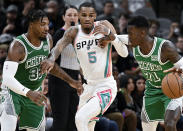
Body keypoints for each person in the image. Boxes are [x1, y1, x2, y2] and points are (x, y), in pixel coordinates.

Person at [40, 2, 128, 131]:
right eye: (84, 15)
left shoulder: (103, 26)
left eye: (91, 15)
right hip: (88, 87)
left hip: (105, 85)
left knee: (80, 118)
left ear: (95, 16)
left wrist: (110, 36)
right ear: (79, 17)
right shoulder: (73, 32)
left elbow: (124, 52)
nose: (87, 18)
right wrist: (51, 59)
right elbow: (58, 47)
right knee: (85, 124)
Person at [0, 9, 82, 131]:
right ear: (31, 25)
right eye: (42, 24)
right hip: (13, 93)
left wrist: (71, 81)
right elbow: (6, 78)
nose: (46, 28)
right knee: (9, 127)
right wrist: (28, 92)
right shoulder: (18, 46)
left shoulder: (48, 40)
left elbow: (50, 66)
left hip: (36, 94)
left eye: (47, 24)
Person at [106, 16, 183, 131]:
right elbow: (117, 38)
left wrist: (181, 70)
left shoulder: (165, 47)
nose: (129, 37)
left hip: (172, 90)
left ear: (142, 33)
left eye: (131, 33)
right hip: (152, 90)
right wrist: (108, 37)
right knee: (147, 128)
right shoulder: (134, 43)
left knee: (170, 124)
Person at [49, 5, 80, 131]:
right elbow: (51, 60)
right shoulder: (59, 34)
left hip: (75, 81)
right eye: (69, 15)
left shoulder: (81, 36)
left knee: (72, 123)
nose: (72, 17)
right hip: (59, 81)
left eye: (75, 15)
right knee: (60, 123)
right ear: (63, 17)